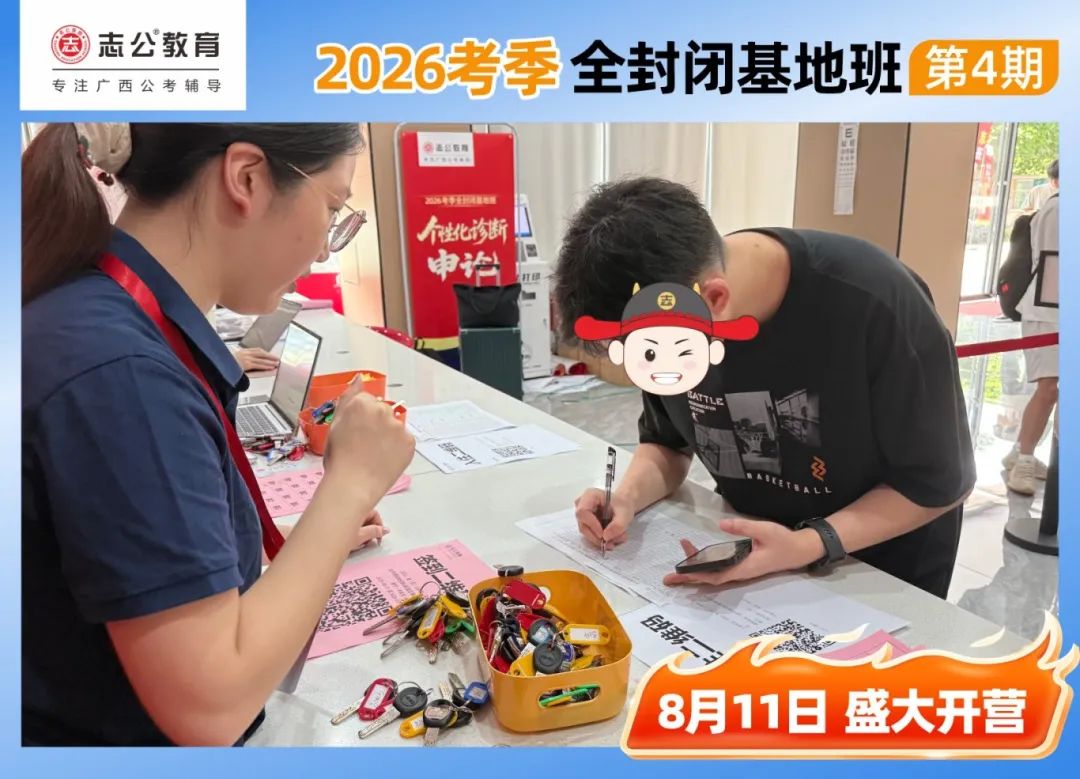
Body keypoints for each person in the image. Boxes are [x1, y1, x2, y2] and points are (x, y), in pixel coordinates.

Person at [22, 123, 415, 745]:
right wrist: (351, 484)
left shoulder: (103, 313)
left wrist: (310, 542)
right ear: (247, 178)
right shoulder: (121, 375)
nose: (322, 251)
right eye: (332, 208)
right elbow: (210, 708)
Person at [556, 177, 975, 600]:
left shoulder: (873, 302)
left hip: (881, 574)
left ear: (714, 299)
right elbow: (667, 444)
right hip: (757, 568)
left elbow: (937, 484)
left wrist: (809, 543)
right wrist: (626, 498)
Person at [1004, 160, 1059, 495]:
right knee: (1049, 388)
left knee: (1055, 390)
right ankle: (1024, 460)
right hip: (1047, 313)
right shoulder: (1056, 210)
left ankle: (1019, 451)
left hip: (1057, 309)